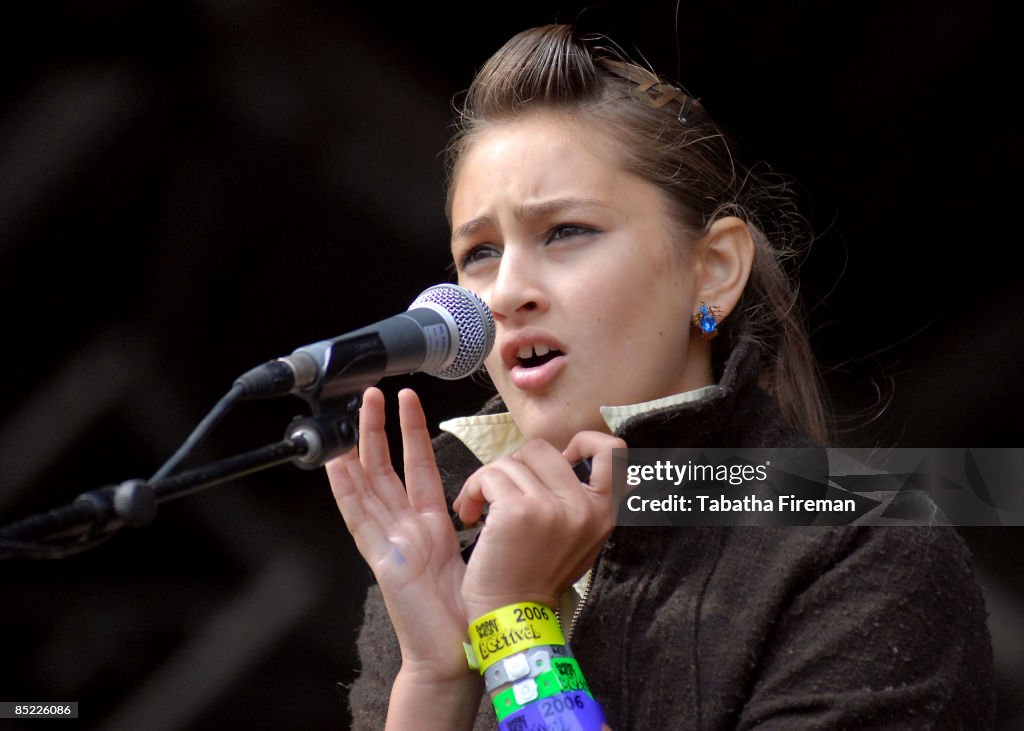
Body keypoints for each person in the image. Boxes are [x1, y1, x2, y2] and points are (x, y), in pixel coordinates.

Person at [327, 24, 995, 730]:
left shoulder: (866, 551)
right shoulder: (451, 546)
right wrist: (434, 680)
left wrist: (515, 626)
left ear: (713, 271)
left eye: (565, 232)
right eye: (481, 252)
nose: (506, 291)